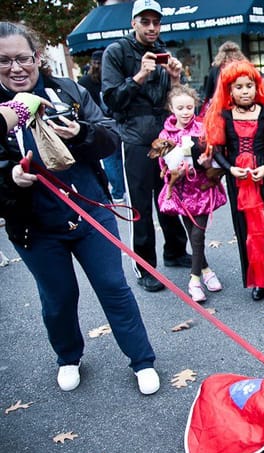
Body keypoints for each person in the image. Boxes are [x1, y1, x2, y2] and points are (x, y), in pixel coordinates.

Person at [0, 22, 160, 395]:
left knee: (113, 286)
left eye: (23, 58)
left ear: (37, 58)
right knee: (57, 297)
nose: (16, 68)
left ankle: (142, 360)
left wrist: (83, 134)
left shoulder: (68, 91)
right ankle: (68, 356)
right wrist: (10, 179)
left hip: (90, 211)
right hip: (34, 225)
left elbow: (109, 136)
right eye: (4, 61)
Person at [101, 0, 191, 293]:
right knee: (140, 204)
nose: (152, 27)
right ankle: (145, 267)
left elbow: (177, 101)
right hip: (135, 138)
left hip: (164, 136)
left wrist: (176, 79)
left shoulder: (164, 51)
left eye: (156, 22)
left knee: (170, 194)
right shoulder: (116, 52)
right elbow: (112, 100)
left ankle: (175, 252)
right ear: (134, 23)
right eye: (146, 22)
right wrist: (139, 75)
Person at [204, 60, 264, 301]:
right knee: (246, 229)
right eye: (238, 86)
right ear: (229, 89)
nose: (244, 91)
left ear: (256, 87)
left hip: (263, 179)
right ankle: (259, 281)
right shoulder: (223, 116)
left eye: (249, 85)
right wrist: (231, 170)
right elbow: (217, 150)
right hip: (239, 182)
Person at [156, 85, 227, 302]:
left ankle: (194, 280)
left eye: (189, 107)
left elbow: (215, 154)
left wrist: (208, 162)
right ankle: (206, 270)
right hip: (181, 191)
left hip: (202, 189)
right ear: (171, 108)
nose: (186, 112)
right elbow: (162, 162)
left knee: (198, 234)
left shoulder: (202, 128)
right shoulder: (165, 134)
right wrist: (170, 169)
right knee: (193, 236)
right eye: (180, 108)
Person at [79, 49, 126, 203]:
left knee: (111, 159)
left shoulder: (85, 82)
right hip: (114, 121)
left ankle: (119, 191)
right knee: (116, 157)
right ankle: (121, 190)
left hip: (100, 124)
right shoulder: (110, 78)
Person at [200, 41, 246, 116]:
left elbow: (208, 92)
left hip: (220, 106)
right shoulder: (243, 67)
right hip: (240, 104)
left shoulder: (215, 69)